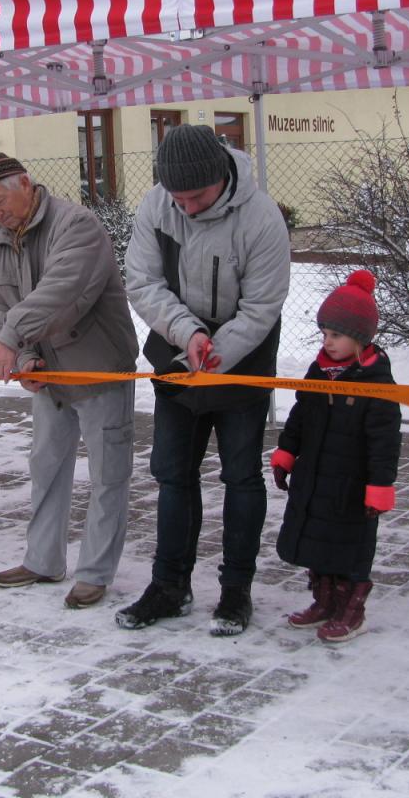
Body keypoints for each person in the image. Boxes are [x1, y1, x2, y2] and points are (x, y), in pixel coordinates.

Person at [117, 123, 291, 636]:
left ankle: (236, 590)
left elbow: (262, 306)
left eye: (196, 196)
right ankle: (169, 585)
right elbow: (142, 282)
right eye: (178, 198)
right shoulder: (157, 205)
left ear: (221, 176)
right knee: (172, 473)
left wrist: (216, 353)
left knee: (241, 476)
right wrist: (186, 333)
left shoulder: (261, 218)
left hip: (242, 357)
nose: (187, 208)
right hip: (177, 351)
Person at [0, 153, 139, 610]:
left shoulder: (77, 225)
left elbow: (62, 293)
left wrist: (11, 340)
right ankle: (42, 561)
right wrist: (25, 357)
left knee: (108, 474)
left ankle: (94, 573)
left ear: (25, 183)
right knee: (45, 466)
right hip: (47, 374)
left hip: (98, 367)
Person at [269, 270, 401, 642]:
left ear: (360, 338)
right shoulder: (319, 370)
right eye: (324, 333)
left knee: (351, 544)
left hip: (352, 484)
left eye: (336, 335)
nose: (327, 341)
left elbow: (385, 440)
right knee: (317, 538)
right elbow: (300, 415)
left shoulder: (377, 382)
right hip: (315, 475)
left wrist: (380, 485)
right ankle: (325, 599)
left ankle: (351, 609)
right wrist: (287, 452)